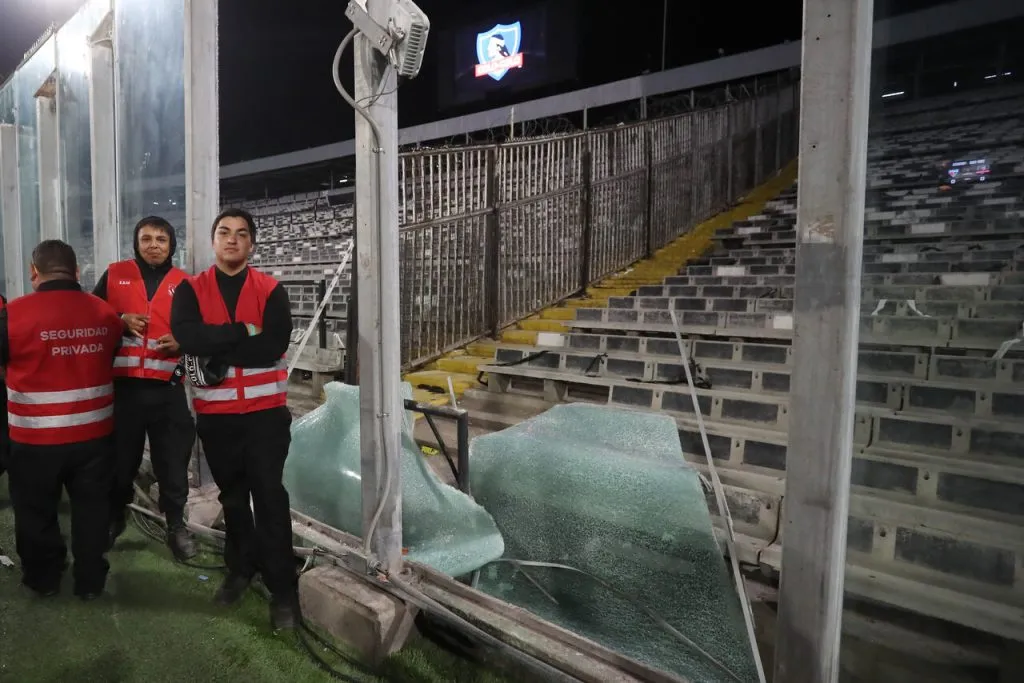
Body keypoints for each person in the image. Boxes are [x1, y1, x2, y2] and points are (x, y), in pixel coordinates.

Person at [170, 208, 298, 630]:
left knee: (270, 500)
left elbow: (274, 344)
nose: (232, 239)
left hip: (265, 419)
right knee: (232, 500)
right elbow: (187, 338)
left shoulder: (271, 289)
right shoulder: (191, 290)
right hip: (217, 420)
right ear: (213, 241)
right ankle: (240, 570)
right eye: (224, 232)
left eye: (242, 234)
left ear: (251, 244)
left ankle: (283, 592)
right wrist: (245, 331)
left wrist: (215, 346)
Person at [1, 240, 122, 599]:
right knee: (92, 511)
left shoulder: (13, 316)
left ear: (33, 273)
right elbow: (111, 353)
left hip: (35, 440)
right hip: (95, 437)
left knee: (36, 512)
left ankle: (44, 579)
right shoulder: (105, 313)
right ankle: (90, 582)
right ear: (77, 272)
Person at [93, 216, 197, 560]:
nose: (154, 245)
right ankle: (114, 516)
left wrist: (183, 342)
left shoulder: (185, 284)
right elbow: (92, 315)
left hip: (168, 391)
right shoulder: (114, 274)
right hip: (124, 393)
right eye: (147, 238)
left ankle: (176, 526)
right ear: (135, 243)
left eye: (161, 239)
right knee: (121, 463)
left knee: (173, 463)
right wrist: (118, 319)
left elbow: (200, 331)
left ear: (172, 246)